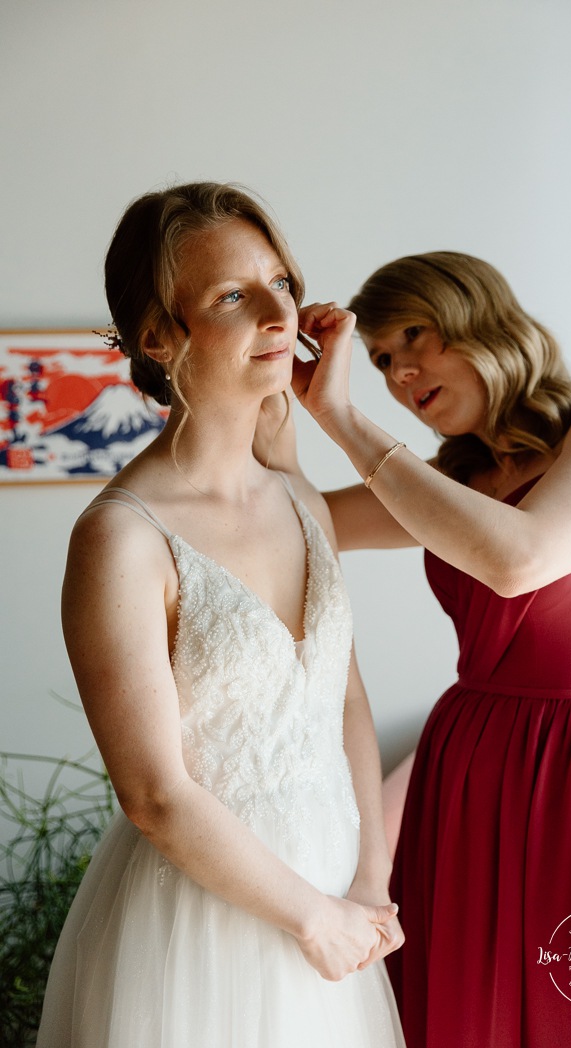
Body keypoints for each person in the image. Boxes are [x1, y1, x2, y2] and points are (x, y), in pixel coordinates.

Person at [270, 251, 571, 1047]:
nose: (399, 374)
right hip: (468, 770)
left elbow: (519, 558)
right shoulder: (453, 484)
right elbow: (297, 522)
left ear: (482, 321)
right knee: (465, 1008)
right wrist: (269, 387)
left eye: (412, 337)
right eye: (381, 361)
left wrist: (345, 420)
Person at [36, 182, 406, 1048]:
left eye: (282, 281)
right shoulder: (121, 538)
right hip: (197, 931)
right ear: (160, 335)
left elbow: (342, 703)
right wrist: (310, 916)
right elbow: (155, 795)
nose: (281, 314)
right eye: (234, 295)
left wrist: (369, 886)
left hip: (339, 920)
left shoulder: (300, 501)